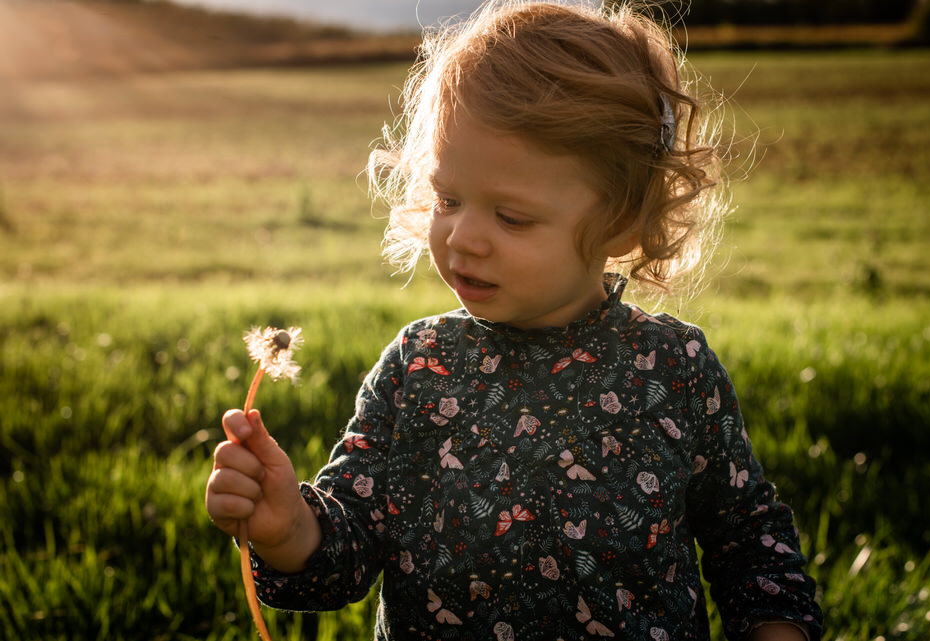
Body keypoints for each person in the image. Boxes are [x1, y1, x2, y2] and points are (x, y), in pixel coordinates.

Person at [205, 2, 823, 639]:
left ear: (622, 221)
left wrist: (777, 627)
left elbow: (748, 539)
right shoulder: (420, 366)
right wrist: (289, 529)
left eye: (512, 217)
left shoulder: (674, 369)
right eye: (449, 199)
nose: (464, 237)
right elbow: (350, 549)